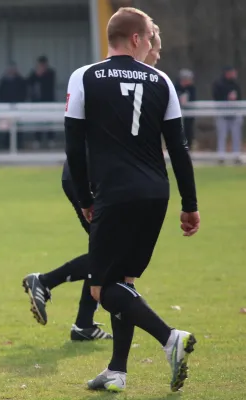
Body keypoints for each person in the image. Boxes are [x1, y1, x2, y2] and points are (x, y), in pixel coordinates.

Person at [64, 7, 200, 393]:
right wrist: (189, 204)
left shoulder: (85, 76)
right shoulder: (162, 81)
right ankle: (117, 370)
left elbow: (74, 146)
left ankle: (169, 337)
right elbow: (179, 148)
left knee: (100, 289)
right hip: (156, 193)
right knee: (124, 280)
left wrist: (83, 197)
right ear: (138, 38)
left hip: (115, 194)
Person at [22, 23, 162, 342]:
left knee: (107, 254)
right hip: (91, 177)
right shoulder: (121, 80)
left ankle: (83, 322)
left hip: (94, 177)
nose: (157, 54)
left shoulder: (141, 85)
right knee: (111, 255)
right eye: (155, 45)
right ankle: (45, 283)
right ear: (140, 43)